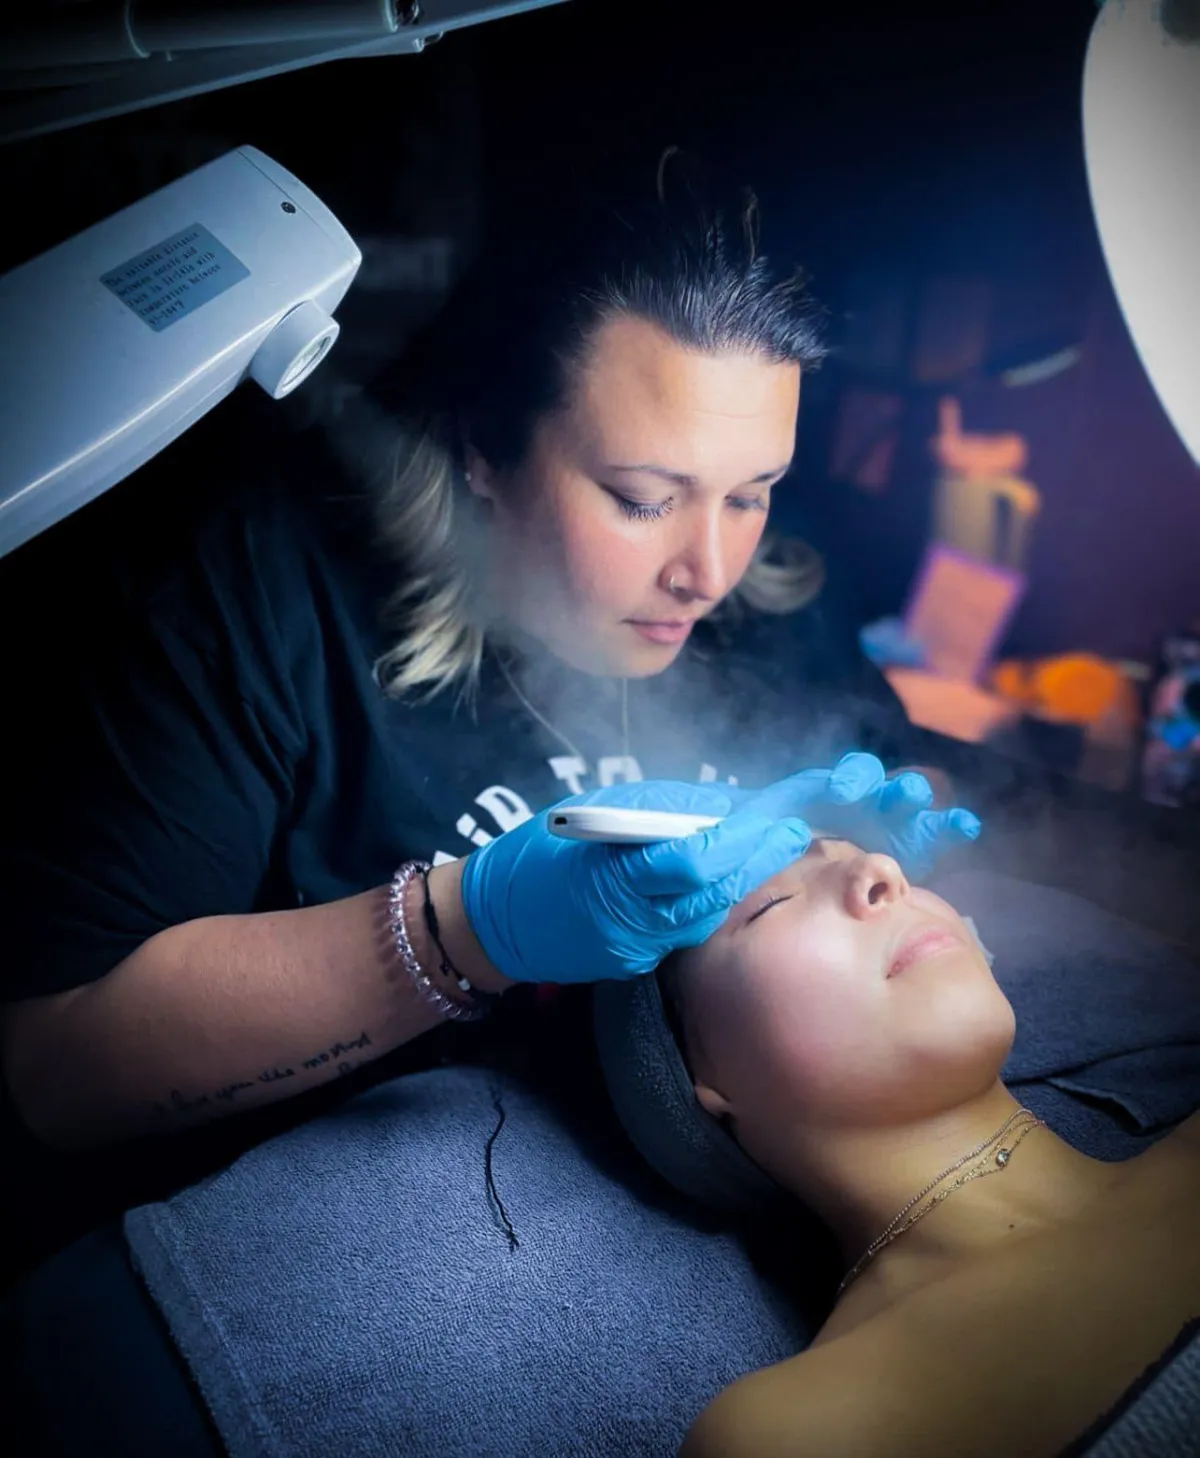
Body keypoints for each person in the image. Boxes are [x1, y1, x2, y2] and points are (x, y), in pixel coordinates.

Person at [0, 150, 977, 1273]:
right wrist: (461, 932)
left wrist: (886, 836)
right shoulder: (258, 598)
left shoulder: (765, 598)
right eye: (642, 499)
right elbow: (51, 1070)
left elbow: (906, 773)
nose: (707, 571)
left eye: (753, 493)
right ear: (483, 450)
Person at [632, 838, 1200, 1458]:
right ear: (698, 1077)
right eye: (770, 904)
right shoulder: (798, 1433)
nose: (881, 872)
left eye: (860, 851)